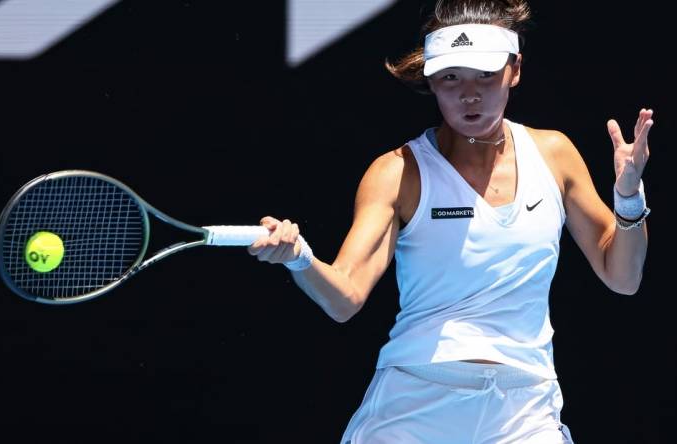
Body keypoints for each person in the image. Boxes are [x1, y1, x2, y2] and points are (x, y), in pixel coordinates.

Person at [248, 0, 652, 442]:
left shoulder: (554, 155)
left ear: (515, 70)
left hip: (524, 409)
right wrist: (300, 258)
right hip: (415, 401)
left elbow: (623, 277)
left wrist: (628, 196)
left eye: (485, 75)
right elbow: (345, 297)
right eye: (450, 78)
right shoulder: (397, 172)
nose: (469, 94)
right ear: (432, 82)